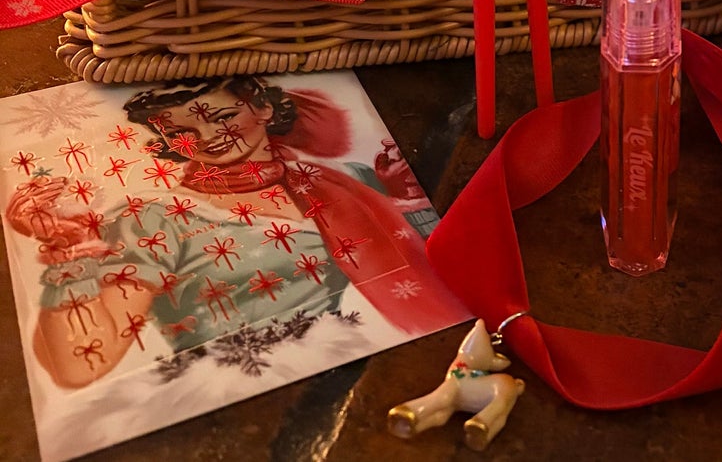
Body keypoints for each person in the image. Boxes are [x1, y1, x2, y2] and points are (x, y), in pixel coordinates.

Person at [5, 75, 455, 388]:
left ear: (261, 107)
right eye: (183, 130)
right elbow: (81, 367)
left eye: (219, 117)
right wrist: (70, 249)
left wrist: (407, 199)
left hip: (386, 363)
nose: (208, 136)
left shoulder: (339, 180)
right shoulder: (152, 217)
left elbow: (420, 256)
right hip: (232, 393)